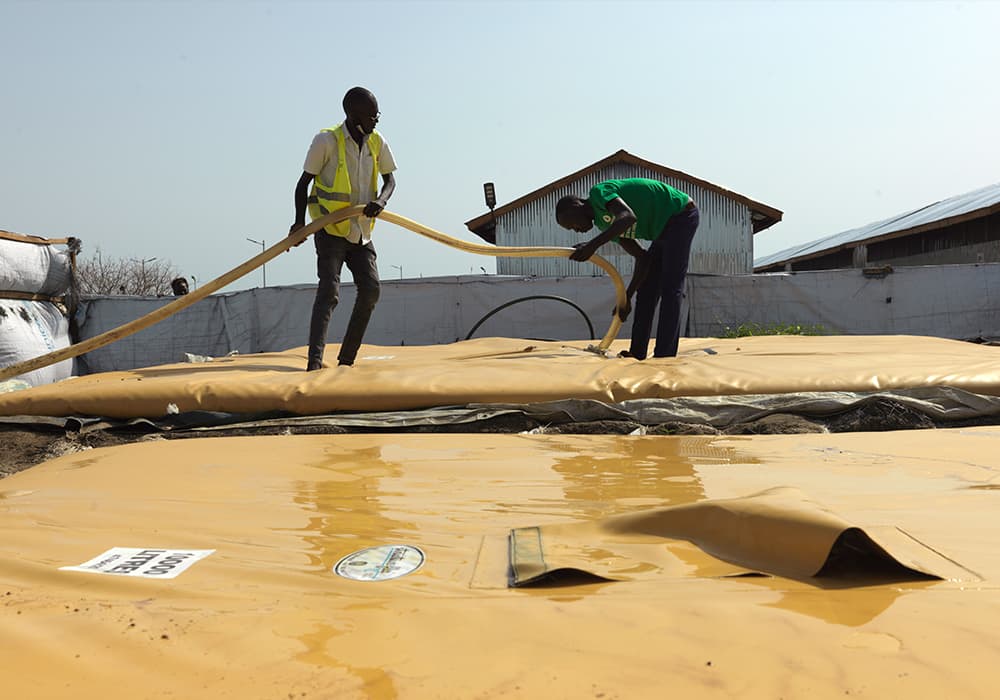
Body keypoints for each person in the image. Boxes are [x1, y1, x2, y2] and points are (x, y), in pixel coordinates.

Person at [288, 87, 397, 371]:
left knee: (371, 290)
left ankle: (346, 360)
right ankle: (314, 362)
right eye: (371, 115)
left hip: (361, 231)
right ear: (353, 115)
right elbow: (303, 185)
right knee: (329, 292)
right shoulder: (326, 141)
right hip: (331, 231)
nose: (376, 120)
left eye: (377, 115)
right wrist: (299, 224)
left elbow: (390, 181)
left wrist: (380, 201)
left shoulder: (377, 142)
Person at [556, 177, 699, 360]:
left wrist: (592, 246)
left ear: (576, 205)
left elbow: (627, 217)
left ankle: (665, 356)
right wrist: (626, 299)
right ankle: (637, 352)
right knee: (647, 290)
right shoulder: (604, 224)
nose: (575, 230)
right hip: (662, 230)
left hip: (680, 215)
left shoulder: (599, 192)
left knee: (671, 288)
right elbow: (643, 259)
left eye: (571, 224)